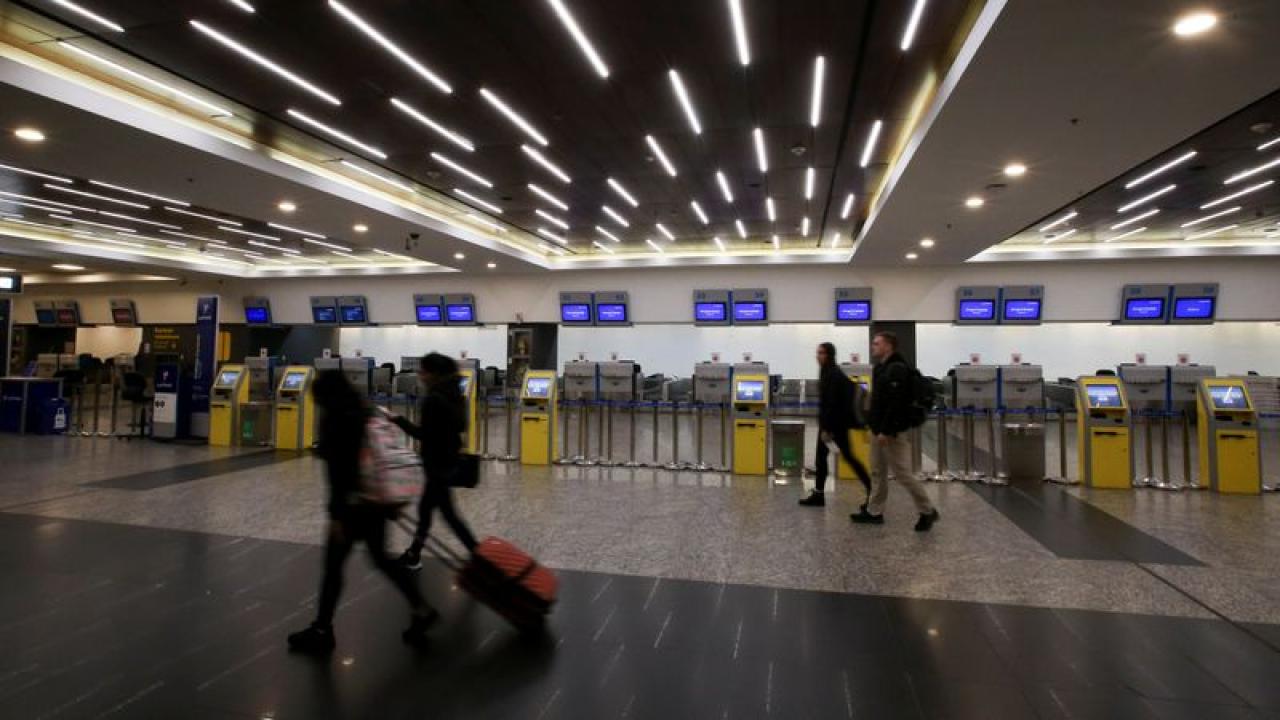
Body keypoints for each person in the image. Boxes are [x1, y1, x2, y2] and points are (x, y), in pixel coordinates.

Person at [288, 371, 437, 655]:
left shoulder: (335, 419)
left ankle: (322, 630)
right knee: (382, 559)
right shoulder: (367, 410)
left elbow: (339, 473)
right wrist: (389, 500)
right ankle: (421, 607)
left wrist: (336, 516)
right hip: (376, 500)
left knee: (333, 568)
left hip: (352, 507)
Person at [394, 353, 479, 570]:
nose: (420, 375)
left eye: (423, 371)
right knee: (427, 511)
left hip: (436, 465)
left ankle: (479, 557)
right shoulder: (455, 393)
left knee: (448, 515)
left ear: (433, 374)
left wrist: (397, 420)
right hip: (448, 461)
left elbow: (423, 434)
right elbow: (461, 426)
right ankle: (414, 553)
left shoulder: (433, 399)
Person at [851, 332, 940, 531]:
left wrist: (886, 430)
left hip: (890, 431)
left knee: (902, 474)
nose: (873, 346)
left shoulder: (897, 369)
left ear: (888, 346)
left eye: (877, 343)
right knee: (877, 471)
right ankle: (875, 511)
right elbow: (880, 401)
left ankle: (927, 510)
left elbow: (896, 404)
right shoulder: (882, 368)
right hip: (878, 429)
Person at [799, 342, 873, 507]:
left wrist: (827, 429)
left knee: (848, 457)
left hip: (834, 426)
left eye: (822, 353)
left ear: (829, 355)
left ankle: (871, 489)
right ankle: (819, 494)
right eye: (818, 353)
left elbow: (831, 403)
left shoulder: (832, 373)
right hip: (831, 424)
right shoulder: (827, 371)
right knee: (821, 459)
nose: (818, 356)